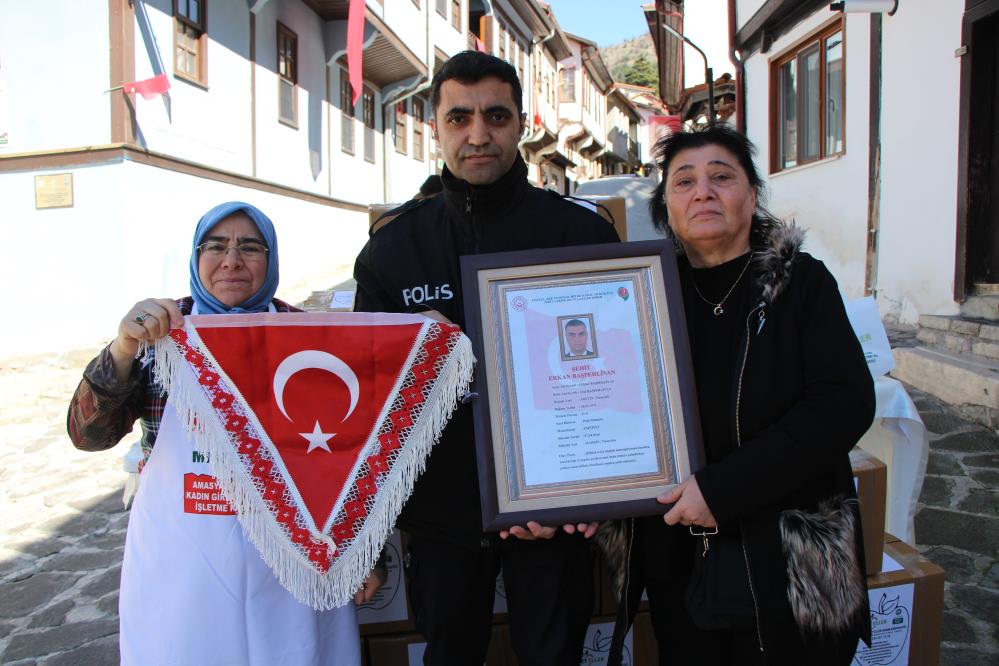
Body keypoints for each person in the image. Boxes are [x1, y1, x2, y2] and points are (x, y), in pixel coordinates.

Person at [352, 51, 619, 665]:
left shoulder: (582, 235)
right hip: (443, 513)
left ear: (522, 122)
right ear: (435, 126)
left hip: (553, 514)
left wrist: (584, 498)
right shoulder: (393, 250)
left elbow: (609, 382)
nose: (478, 135)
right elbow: (373, 400)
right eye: (459, 118)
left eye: (496, 116)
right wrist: (409, 356)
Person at [598, 125, 875, 665]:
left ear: (751, 197)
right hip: (678, 554)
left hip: (789, 558)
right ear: (667, 208)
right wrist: (581, 489)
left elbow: (843, 403)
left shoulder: (801, 284)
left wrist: (722, 490)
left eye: (721, 177)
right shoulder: (640, 297)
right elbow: (605, 406)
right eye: (684, 182)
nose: (703, 191)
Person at [67, 202, 369, 665]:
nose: (231, 260)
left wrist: (365, 554)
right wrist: (123, 347)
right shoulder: (160, 332)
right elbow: (88, 435)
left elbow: (350, 455)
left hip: (291, 561)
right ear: (196, 255)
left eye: (249, 247)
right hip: (183, 560)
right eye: (216, 246)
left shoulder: (306, 334)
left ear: (271, 262)